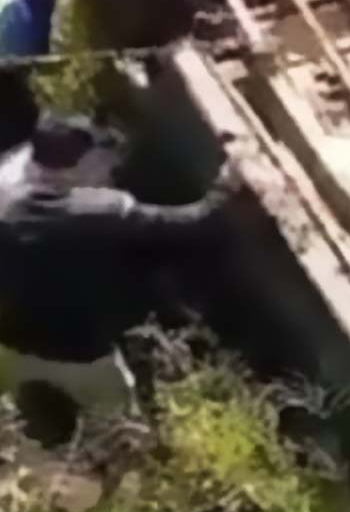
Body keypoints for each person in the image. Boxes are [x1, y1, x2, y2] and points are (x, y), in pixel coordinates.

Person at [0, 112, 243, 427]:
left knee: (28, 428)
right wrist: (229, 181)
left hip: (8, 346)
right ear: (81, 164)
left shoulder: (7, 190)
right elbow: (199, 224)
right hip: (82, 358)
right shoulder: (101, 212)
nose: (110, 165)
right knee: (117, 434)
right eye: (101, 157)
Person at [0, 0, 73, 155]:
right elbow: (14, 67)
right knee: (22, 123)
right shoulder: (24, 19)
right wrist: (49, 64)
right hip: (6, 66)